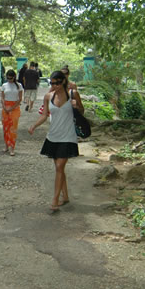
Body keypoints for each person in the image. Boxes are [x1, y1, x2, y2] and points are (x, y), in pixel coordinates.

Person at [28, 70, 84, 212]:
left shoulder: (73, 94)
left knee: (59, 167)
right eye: (53, 83)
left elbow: (82, 111)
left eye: (58, 82)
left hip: (68, 136)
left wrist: (76, 105)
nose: (56, 85)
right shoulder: (48, 96)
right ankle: (65, 196)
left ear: (63, 81)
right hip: (53, 136)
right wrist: (34, 125)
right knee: (60, 168)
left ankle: (54, 200)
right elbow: (44, 115)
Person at [1, 69, 23, 156]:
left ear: (14, 77)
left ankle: (12, 148)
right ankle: (6, 146)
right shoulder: (4, 85)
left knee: (13, 128)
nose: (9, 80)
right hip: (5, 107)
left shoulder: (19, 85)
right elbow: (2, 97)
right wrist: (4, 106)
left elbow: (20, 99)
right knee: (5, 128)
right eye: (8, 78)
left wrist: (11, 108)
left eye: (11, 78)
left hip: (15, 108)